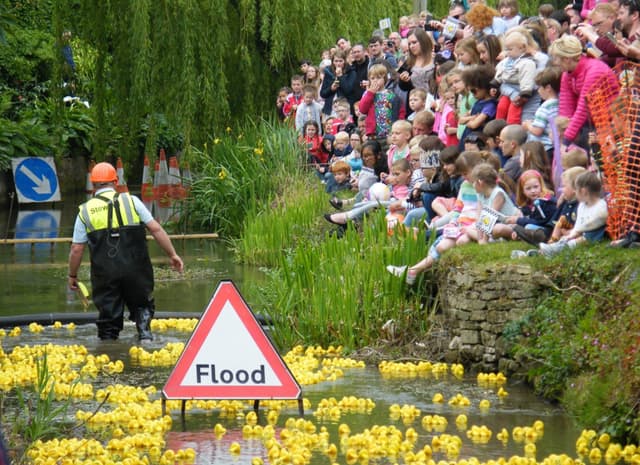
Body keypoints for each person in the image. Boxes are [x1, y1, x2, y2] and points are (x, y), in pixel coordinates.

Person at [68, 162, 184, 340]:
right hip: (137, 269)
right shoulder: (132, 201)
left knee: (108, 318)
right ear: (115, 182)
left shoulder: (85, 211)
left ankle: (109, 350)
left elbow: (76, 249)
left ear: (93, 185)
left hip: (105, 274)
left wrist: (73, 275)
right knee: (142, 306)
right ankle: (145, 335)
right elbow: (156, 229)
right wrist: (172, 254)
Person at [548, 35, 619, 149]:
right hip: (591, 122)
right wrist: (560, 131)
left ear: (566, 59)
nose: (554, 62)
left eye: (556, 58)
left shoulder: (594, 71)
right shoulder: (568, 73)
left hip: (609, 123)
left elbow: (583, 109)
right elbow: (566, 106)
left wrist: (566, 141)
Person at [539, 171, 608, 256]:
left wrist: (578, 232)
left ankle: (559, 249)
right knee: (567, 238)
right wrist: (573, 233)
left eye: (576, 190)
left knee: (585, 236)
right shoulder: (582, 206)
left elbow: (597, 222)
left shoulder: (601, 205)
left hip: (594, 234)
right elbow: (579, 223)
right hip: (583, 232)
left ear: (583, 191)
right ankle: (554, 248)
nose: (575, 192)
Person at [467, 162, 519, 243]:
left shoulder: (498, 194)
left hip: (509, 223)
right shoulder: (480, 194)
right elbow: (479, 217)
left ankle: (514, 235)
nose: (472, 185)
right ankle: (495, 239)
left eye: (474, 182)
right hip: (493, 224)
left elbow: (490, 217)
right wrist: (480, 237)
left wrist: (484, 239)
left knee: (497, 229)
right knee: (468, 229)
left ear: (480, 182)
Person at [358, 64, 406, 150]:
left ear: (384, 79)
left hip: (389, 135)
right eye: (372, 78)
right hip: (373, 135)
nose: (375, 81)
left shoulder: (392, 96)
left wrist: (396, 131)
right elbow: (362, 109)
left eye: (378, 78)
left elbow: (400, 112)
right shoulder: (369, 95)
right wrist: (370, 93)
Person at [494, 30, 538, 125]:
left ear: (522, 48)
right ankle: (497, 125)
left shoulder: (527, 62)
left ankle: (512, 129)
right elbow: (500, 69)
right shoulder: (507, 61)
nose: (507, 52)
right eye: (506, 49)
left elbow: (528, 77)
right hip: (507, 87)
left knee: (513, 111)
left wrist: (525, 92)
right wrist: (496, 81)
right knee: (501, 106)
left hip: (519, 91)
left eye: (510, 49)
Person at [506, 169, 557, 245]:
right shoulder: (528, 204)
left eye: (536, 187)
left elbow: (539, 222)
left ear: (541, 186)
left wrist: (518, 220)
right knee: (518, 227)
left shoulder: (545, 201)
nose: (533, 191)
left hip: (550, 230)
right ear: (523, 191)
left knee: (528, 227)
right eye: (528, 188)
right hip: (540, 227)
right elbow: (529, 219)